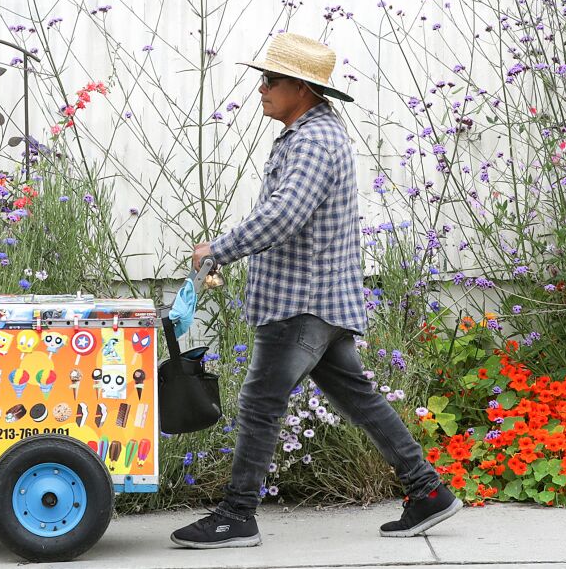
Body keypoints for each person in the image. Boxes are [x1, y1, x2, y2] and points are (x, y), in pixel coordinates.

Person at [170, 33, 461, 551]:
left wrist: (219, 249)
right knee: (359, 397)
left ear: (301, 88)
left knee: (260, 402)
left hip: (301, 302)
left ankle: (237, 515)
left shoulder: (313, 140)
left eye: (271, 80)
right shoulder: (310, 133)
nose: (261, 88)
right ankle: (428, 490)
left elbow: (284, 214)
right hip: (316, 298)